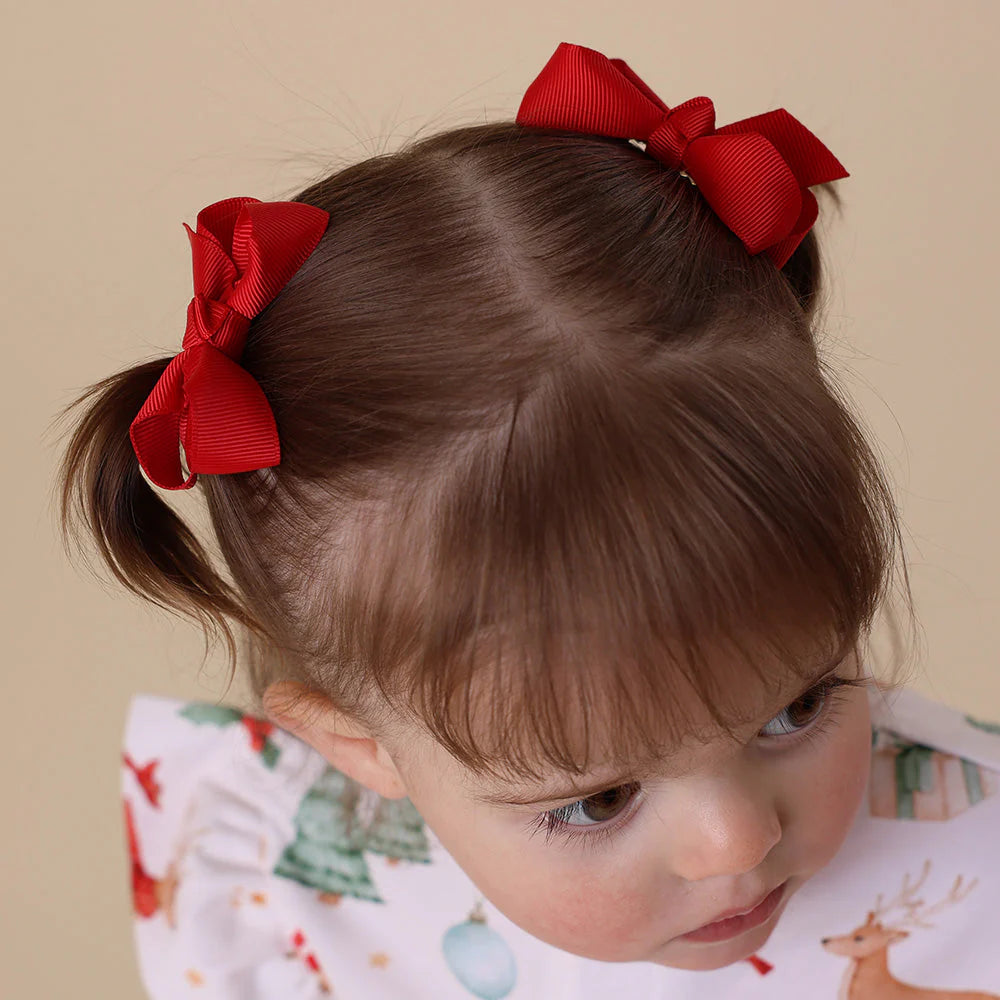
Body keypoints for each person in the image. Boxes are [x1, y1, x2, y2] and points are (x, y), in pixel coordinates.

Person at [56, 40, 1000, 1000]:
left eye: (796, 706)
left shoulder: (976, 886)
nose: (737, 841)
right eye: (599, 800)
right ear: (362, 747)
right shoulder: (289, 908)